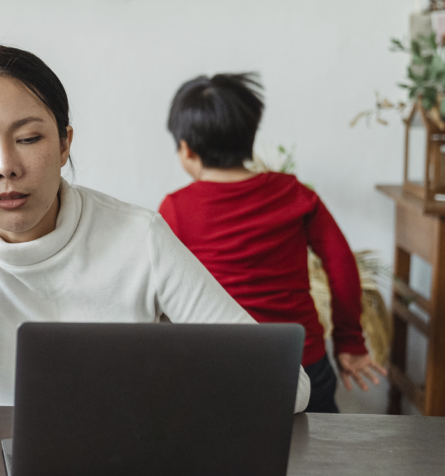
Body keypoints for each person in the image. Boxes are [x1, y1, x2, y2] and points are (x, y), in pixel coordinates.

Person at [0, 46, 310, 414]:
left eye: (29, 139)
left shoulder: (139, 236)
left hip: (122, 458)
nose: (5, 168)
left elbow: (288, 388)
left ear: (64, 144)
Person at [157, 73, 386, 414]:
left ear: (186, 149)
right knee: (320, 461)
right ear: (250, 138)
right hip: (303, 364)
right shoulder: (295, 194)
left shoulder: (175, 208)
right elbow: (341, 264)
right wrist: (349, 340)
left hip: (222, 370)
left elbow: (162, 290)